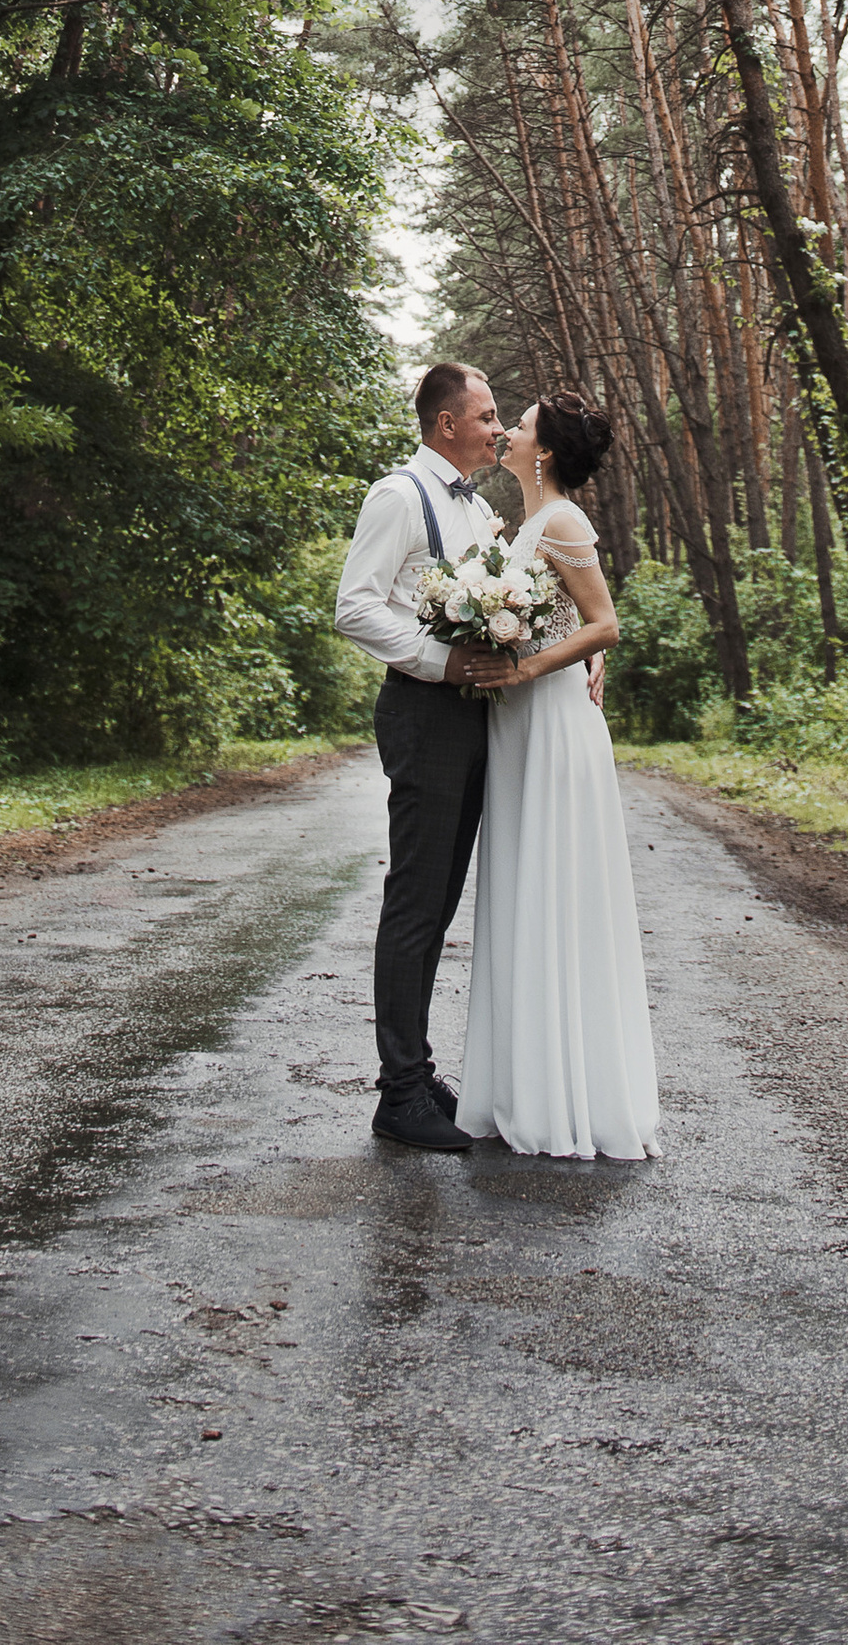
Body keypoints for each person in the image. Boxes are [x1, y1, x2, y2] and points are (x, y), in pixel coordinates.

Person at [455, 393, 660, 1161]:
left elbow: (604, 622)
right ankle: (522, 1083)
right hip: (519, 725)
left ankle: (568, 1095)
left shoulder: (564, 521)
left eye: (524, 422)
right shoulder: (529, 525)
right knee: (520, 888)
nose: (508, 430)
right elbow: (575, 622)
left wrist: (531, 668)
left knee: (554, 889)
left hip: (550, 722)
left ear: (542, 452)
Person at [334, 359, 509, 1149]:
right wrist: (441, 663)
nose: (498, 427)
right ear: (448, 424)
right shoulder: (397, 496)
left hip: (475, 717)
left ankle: (418, 1070)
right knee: (414, 903)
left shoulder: (478, 509)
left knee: (439, 906)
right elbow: (356, 607)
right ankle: (397, 1094)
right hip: (424, 713)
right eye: (487, 415)